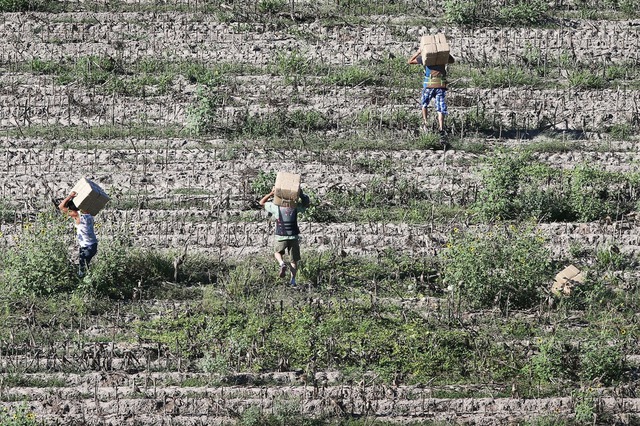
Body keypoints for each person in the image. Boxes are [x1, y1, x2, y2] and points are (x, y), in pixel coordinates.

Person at [259, 187, 310, 286]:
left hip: (280, 235)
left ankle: (282, 263)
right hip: (293, 236)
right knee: (294, 260)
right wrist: (301, 195)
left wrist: (271, 193)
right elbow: (306, 204)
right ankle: (293, 280)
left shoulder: (275, 207)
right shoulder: (295, 207)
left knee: (277, 252)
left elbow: (261, 202)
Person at [408, 48, 455, 140]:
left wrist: (418, 52)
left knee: (424, 104)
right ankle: (441, 128)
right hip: (440, 85)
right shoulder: (442, 59)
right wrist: (446, 54)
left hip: (429, 85)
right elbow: (452, 60)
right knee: (440, 107)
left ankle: (425, 122)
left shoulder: (425, 58)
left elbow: (410, 61)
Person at [58, 191, 98, 278]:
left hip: (87, 247)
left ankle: (85, 283)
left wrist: (70, 196)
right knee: (86, 266)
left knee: (82, 269)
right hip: (93, 245)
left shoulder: (76, 215)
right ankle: (89, 280)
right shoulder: (88, 213)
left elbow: (61, 207)